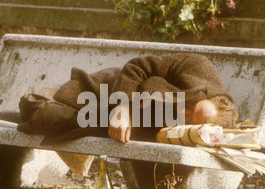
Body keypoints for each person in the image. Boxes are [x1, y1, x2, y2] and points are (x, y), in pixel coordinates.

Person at [17, 53, 239, 144]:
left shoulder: (197, 135)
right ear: (209, 97)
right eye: (191, 107)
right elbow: (138, 66)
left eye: (190, 121)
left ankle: (33, 114)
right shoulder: (199, 66)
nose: (183, 113)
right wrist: (122, 109)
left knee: (51, 117)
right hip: (105, 88)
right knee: (29, 105)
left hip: (97, 120)